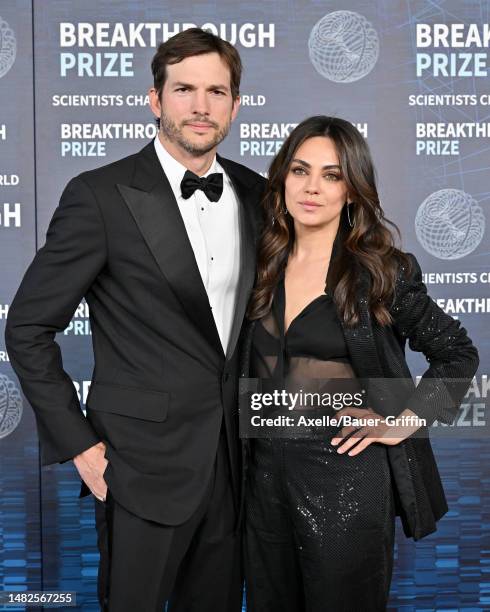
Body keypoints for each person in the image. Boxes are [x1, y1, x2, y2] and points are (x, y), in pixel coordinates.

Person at [5, 27, 265, 612]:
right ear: (155, 100)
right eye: (184, 90)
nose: (201, 107)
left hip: (236, 467)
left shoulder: (257, 194)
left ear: (236, 104)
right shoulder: (100, 196)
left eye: (217, 92)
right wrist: (79, 445)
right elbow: (26, 327)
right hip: (138, 465)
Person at [239, 115, 479, 611]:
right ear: (282, 176)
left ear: (352, 191)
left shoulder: (380, 271)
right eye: (300, 170)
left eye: (331, 175)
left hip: (346, 477)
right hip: (261, 479)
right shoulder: (258, 260)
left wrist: (402, 423)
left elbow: (458, 354)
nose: (312, 188)